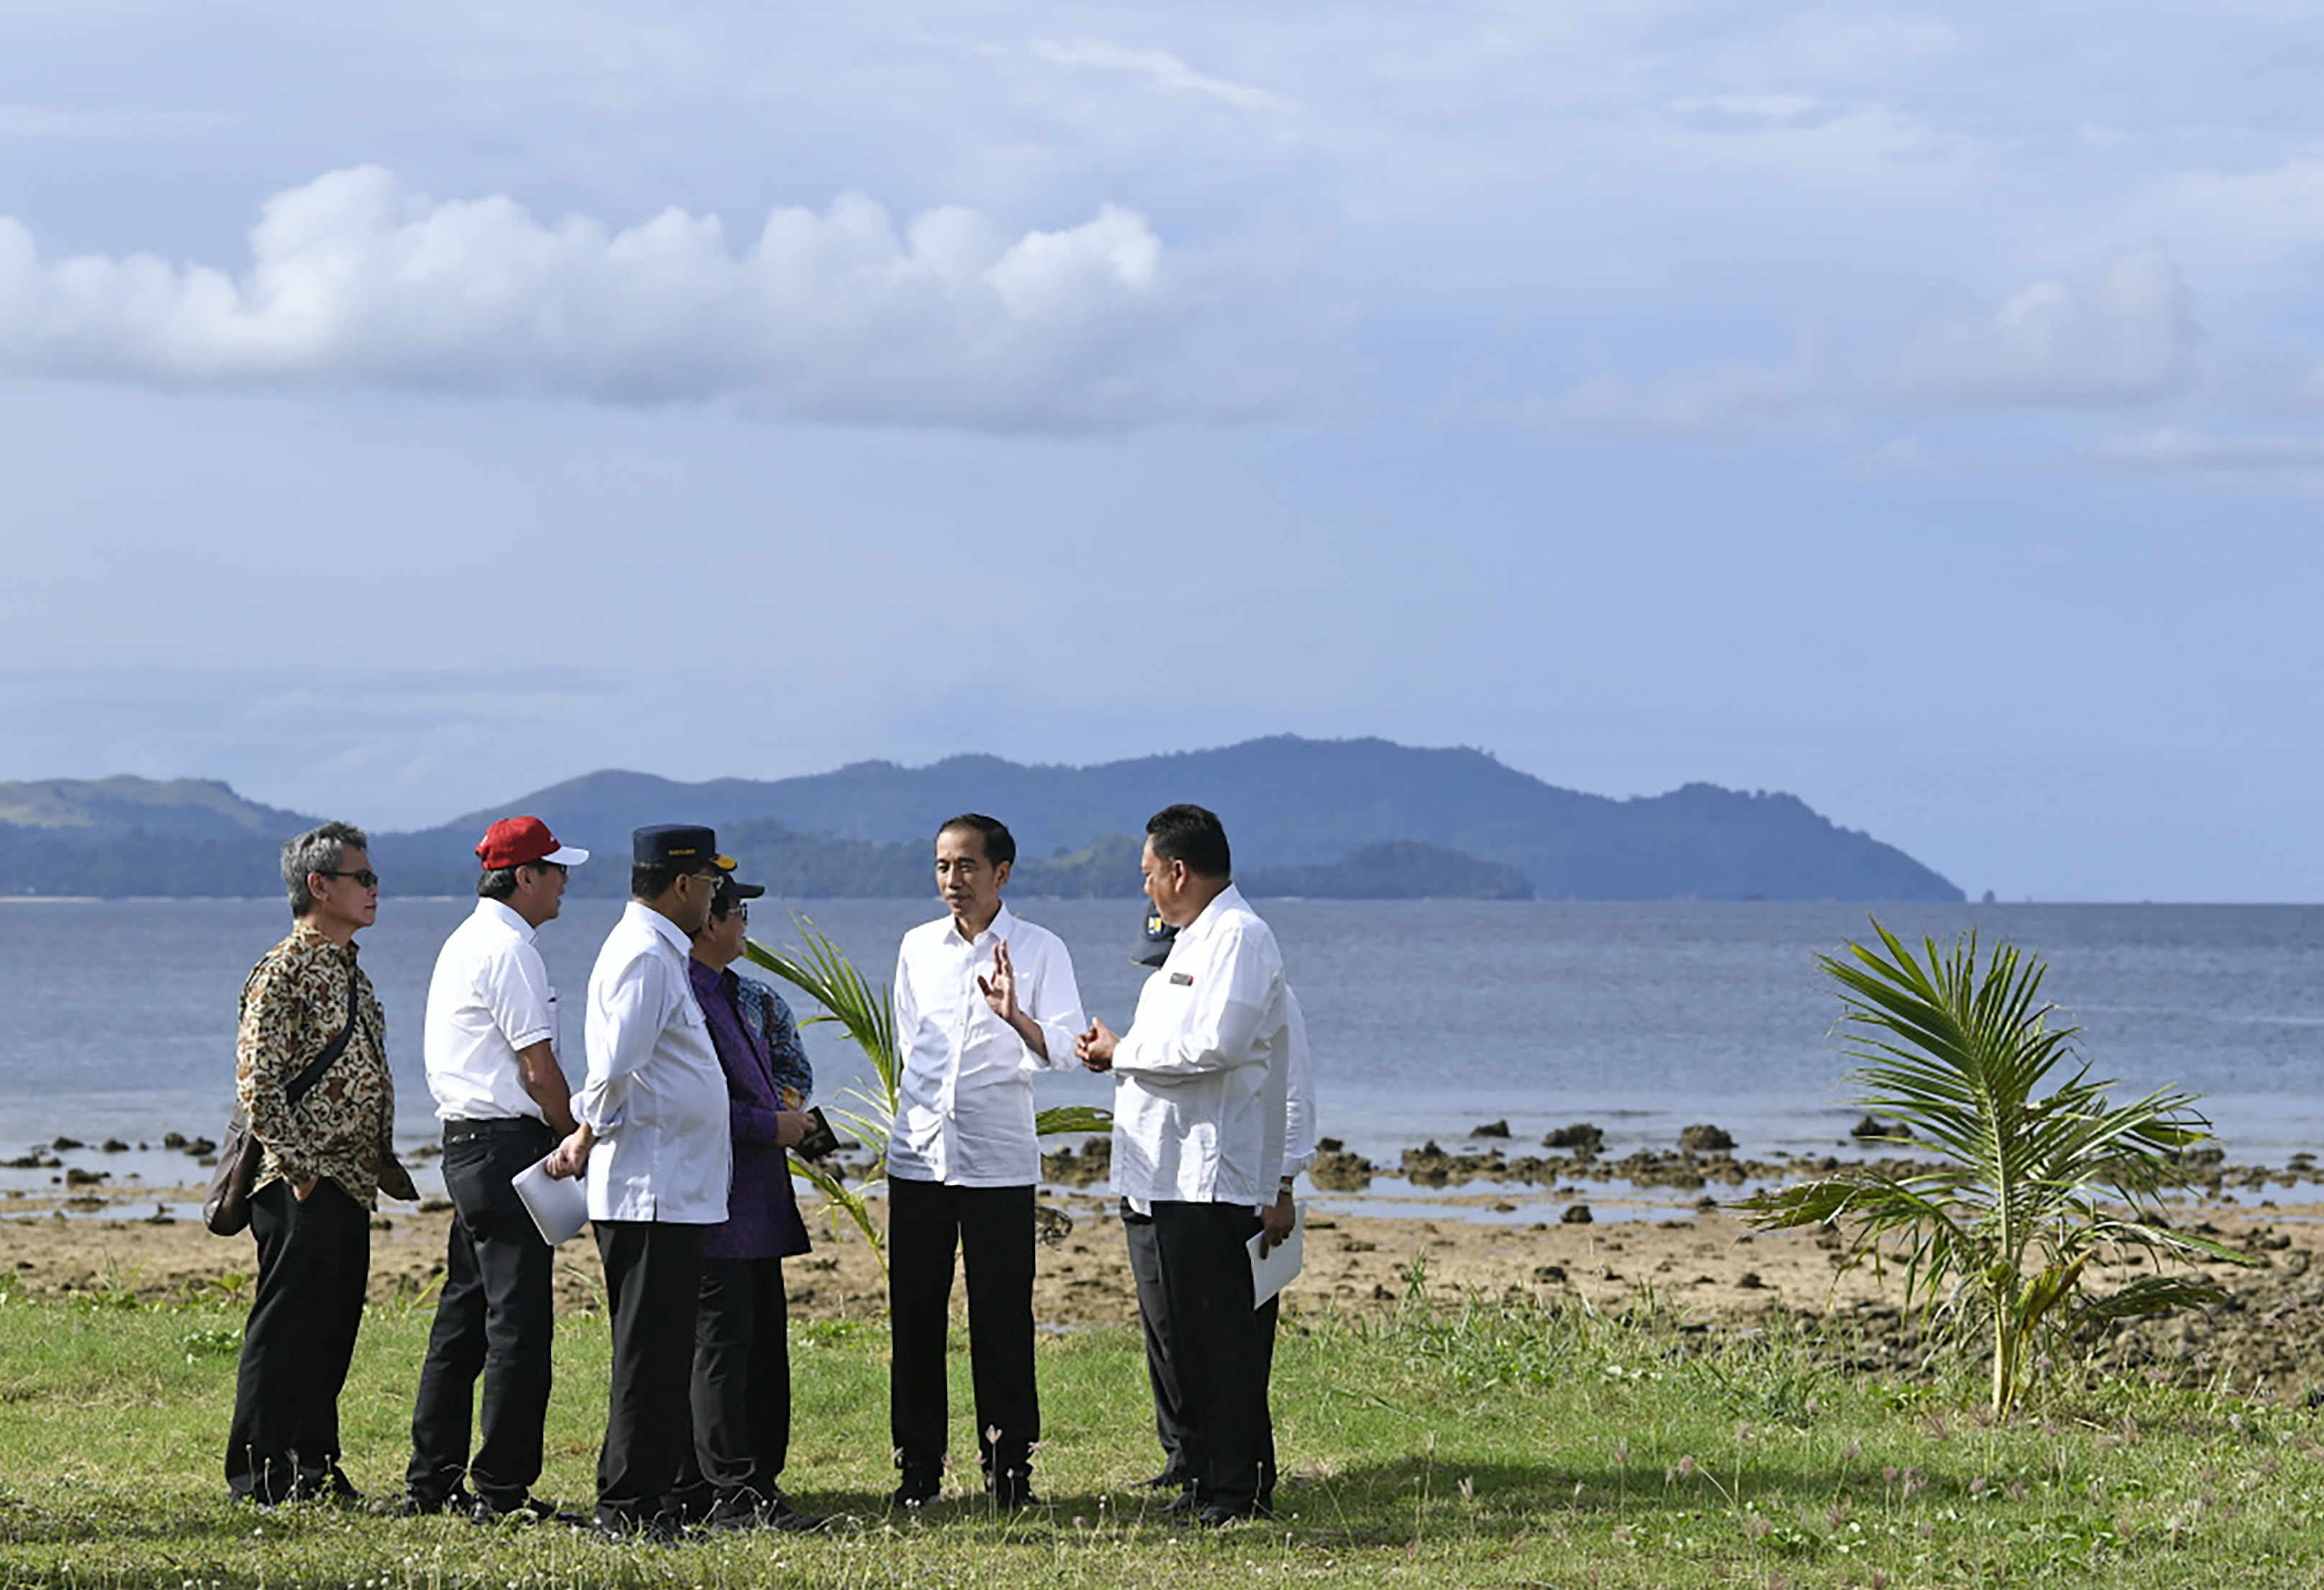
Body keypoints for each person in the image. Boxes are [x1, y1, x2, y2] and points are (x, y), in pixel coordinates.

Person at [1076, 804, 1293, 1527]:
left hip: (1211, 1172)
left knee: (1223, 1336)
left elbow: (1217, 1045)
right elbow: (1171, 1045)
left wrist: (1124, 1052)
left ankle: (1240, 1490)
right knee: (1190, 1339)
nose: (1145, 889)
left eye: (1148, 874)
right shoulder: (1191, 941)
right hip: (1168, 1172)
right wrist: (1117, 1051)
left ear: (1178, 870)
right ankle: (1203, 1476)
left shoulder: (1239, 936)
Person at [886, 813, 1088, 1507]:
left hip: (998, 1160)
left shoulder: (1040, 948)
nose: (953, 879)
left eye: (967, 865)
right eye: (943, 865)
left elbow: (1068, 1049)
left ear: (1001, 872)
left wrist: (1016, 1017)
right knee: (915, 1316)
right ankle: (917, 1471)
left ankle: (1008, 1472)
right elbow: (911, 1044)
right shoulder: (917, 946)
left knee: (1002, 1319)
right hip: (919, 1157)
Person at [545, 825, 737, 1541]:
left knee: (664, 1351)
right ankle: (627, 1506)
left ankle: (655, 1500)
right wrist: (586, 1132)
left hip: (673, 1187)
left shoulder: (659, 951)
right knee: (649, 1356)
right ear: (682, 884)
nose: (714, 897)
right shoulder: (644, 955)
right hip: (650, 1188)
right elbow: (616, 1065)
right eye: (709, 882)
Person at [397, 816, 589, 1523]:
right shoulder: (510, 950)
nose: (565, 882)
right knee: (518, 1325)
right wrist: (575, 1134)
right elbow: (538, 1069)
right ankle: (502, 1489)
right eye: (556, 869)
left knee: (466, 1314)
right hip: (507, 1143)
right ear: (525, 876)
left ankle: (433, 1479)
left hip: (467, 1143)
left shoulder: (467, 940)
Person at [225, 821, 417, 1506]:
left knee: (331, 1332)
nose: (374, 889)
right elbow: (258, 1081)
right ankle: (258, 1475)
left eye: (373, 877)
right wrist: (302, 1170)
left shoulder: (350, 970)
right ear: (319, 886)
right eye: (362, 878)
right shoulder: (283, 969)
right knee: (284, 1331)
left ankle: (313, 1467)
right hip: (299, 1181)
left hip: (351, 1181)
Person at [1121, 911, 1315, 1516]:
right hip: (1157, 1182)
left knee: (1229, 1339)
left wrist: (1282, 1182)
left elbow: (1290, 1091)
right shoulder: (1160, 992)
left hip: (1222, 1184)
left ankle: (1236, 1476)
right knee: (1172, 1337)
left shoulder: (1261, 990)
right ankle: (1191, 1463)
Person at [672, 871, 826, 1532]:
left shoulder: (747, 995)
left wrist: (787, 1119)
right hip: (714, 1198)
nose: (744, 927)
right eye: (738, 913)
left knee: (761, 1346)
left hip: (758, 1195)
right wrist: (771, 1124)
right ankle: (726, 1488)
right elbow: (689, 1101)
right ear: (709, 919)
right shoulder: (681, 995)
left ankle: (754, 1475)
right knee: (719, 1349)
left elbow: (787, 1073)